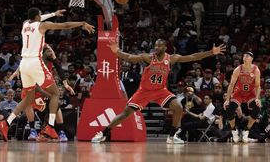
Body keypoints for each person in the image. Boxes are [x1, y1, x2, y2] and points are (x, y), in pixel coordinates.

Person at [91, 39, 225, 144]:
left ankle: (172, 136)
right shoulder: (148, 57)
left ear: (165, 48)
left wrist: (211, 52)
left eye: (159, 46)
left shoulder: (171, 58)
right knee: (126, 113)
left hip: (161, 91)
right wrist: (117, 51)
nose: (156, 48)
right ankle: (104, 133)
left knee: (178, 107)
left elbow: (193, 56)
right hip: (144, 91)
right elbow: (130, 57)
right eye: (155, 45)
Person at [0, 8, 94, 141]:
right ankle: (50, 126)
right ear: (38, 16)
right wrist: (82, 23)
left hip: (24, 64)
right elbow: (65, 25)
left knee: (27, 99)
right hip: (35, 63)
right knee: (55, 93)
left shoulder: (25, 24)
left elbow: (38, 18)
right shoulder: (42, 26)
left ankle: (6, 123)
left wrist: (54, 14)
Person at [223, 51, 261, 143]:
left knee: (257, 107)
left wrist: (257, 98)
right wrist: (227, 99)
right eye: (243, 56)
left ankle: (246, 130)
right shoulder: (238, 69)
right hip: (239, 92)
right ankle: (233, 130)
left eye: (247, 56)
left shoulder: (256, 70)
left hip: (250, 93)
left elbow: (258, 86)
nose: (244, 57)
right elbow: (231, 85)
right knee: (229, 108)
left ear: (251, 58)